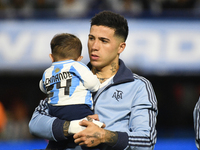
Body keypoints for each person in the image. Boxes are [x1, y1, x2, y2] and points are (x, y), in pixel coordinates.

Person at [29, 10, 158, 150]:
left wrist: (104, 135)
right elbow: (35, 123)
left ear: (121, 47)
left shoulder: (138, 87)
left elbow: (146, 141)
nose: (94, 47)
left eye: (104, 41)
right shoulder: (67, 74)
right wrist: (71, 127)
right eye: (91, 38)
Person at [39, 33, 103, 149]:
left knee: (58, 140)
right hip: (76, 109)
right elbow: (93, 85)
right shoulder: (77, 66)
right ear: (79, 59)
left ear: (51, 57)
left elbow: (43, 87)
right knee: (89, 136)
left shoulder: (48, 72)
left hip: (54, 112)